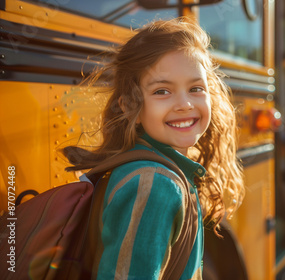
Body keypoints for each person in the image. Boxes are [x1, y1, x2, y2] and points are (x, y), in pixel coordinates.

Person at [63, 18, 245, 279]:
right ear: (129, 107)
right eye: (162, 91)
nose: (184, 104)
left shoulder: (147, 168)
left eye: (195, 88)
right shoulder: (155, 185)